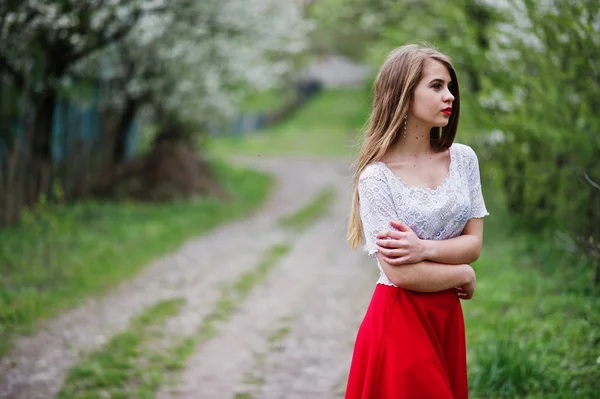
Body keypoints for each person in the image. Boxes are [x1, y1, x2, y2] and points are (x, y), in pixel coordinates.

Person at [345, 44, 489, 399]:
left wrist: (422, 248)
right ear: (404, 95)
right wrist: (462, 274)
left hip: (446, 319)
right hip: (399, 321)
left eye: (450, 86)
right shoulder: (376, 178)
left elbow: (473, 244)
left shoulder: (464, 160)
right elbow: (400, 273)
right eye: (437, 86)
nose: (450, 96)